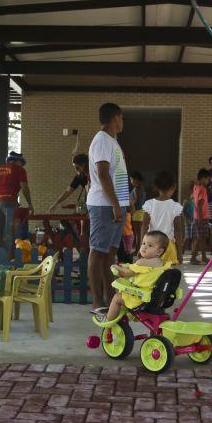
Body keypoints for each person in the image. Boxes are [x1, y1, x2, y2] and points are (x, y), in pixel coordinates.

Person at [87, 103, 130, 311]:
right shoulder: (102, 140)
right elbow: (102, 174)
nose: (123, 122)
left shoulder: (112, 141)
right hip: (105, 205)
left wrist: (120, 205)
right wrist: (114, 204)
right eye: (121, 118)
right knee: (97, 251)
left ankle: (110, 296)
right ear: (115, 117)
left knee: (110, 253)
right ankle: (97, 301)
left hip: (116, 205)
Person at [95, 231, 171, 322]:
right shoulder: (163, 263)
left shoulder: (142, 262)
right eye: (143, 243)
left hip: (142, 299)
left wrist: (117, 267)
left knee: (118, 297)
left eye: (150, 245)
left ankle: (108, 319)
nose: (144, 247)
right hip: (156, 299)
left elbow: (128, 273)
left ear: (159, 251)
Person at [0, 152, 33, 256]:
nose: (22, 165)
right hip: (8, 200)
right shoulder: (20, 169)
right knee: (11, 229)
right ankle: (11, 258)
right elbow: (24, 188)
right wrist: (30, 204)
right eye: (21, 163)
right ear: (18, 161)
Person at [142, 171, 184, 265]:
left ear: (156, 187)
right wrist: (180, 253)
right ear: (174, 187)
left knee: (151, 272)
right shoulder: (176, 207)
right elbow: (178, 230)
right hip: (168, 246)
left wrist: (142, 246)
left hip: (151, 245)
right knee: (168, 273)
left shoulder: (149, 204)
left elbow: (144, 226)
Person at [190, 169, 211, 265]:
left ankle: (203, 256)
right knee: (199, 238)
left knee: (202, 238)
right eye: (207, 179)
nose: (208, 181)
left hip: (198, 217)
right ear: (203, 178)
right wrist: (201, 218)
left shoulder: (195, 187)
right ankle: (193, 258)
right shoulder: (202, 189)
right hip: (201, 217)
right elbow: (199, 204)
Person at [130, 171, 146, 247]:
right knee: (139, 233)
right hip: (141, 211)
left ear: (136, 180)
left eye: (131, 179)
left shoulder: (137, 188)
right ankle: (138, 248)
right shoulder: (141, 187)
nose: (130, 181)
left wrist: (132, 210)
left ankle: (137, 249)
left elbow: (137, 200)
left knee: (138, 233)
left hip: (137, 212)